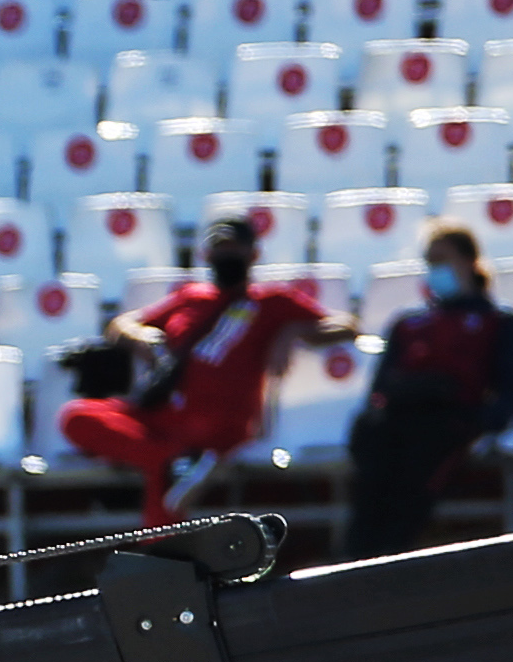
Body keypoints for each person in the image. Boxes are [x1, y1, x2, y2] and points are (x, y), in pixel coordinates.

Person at [59, 212, 346, 519]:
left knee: (165, 477)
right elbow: (119, 325)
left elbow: (346, 324)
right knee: (76, 416)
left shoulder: (271, 300)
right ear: (206, 254)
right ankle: (174, 463)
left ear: (254, 254)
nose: (226, 255)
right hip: (167, 416)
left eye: (234, 247)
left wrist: (293, 331)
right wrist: (142, 336)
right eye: (219, 248)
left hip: (223, 422)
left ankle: (168, 510)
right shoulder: (190, 297)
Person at [343, 225, 513, 560]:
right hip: (397, 421)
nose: (436, 270)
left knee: (412, 490)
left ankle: (387, 559)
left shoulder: (497, 320)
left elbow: (509, 388)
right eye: (429, 261)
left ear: (469, 261)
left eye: (442, 259)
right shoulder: (408, 322)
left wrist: (480, 421)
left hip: (448, 423)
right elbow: (380, 387)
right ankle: (352, 557)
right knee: (370, 463)